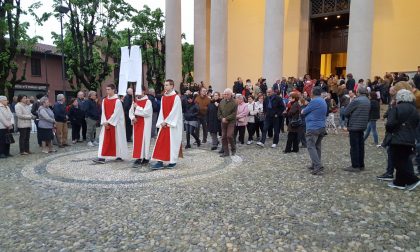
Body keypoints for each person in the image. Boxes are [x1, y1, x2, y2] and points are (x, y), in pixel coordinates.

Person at [386, 89, 419, 191]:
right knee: (404, 159)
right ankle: (399, 182)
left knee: (398, 161)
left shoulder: (396, 108)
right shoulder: (414, 109)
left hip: (398, 137)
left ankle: (413, 179)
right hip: (410, 137)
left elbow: (390, 124)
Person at [151, 79, 183, 169]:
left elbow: (175, 111)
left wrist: (167, 121)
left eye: (167, 85)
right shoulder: (163, 97)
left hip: (172, 125)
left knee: (172, 143)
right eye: (165, 85)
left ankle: (172, 161)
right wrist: (161, 121)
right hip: (163, 124)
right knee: (160, 142)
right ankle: (159, 161)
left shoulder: (176, 97)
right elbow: (161, 111)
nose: (165, 87)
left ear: (172, 86)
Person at [93, 84, 129, 164]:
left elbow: (116, 113)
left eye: (109, 89)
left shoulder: (117, 101)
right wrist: (105, 122)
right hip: (107, 124)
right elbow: (103, 113)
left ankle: (119, 155)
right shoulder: (104, 100)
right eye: (106, 89)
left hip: (116, 125)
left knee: (118, 140)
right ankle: (102, 157)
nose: (107, 91)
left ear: (113, 90)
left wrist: (108, 122)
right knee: (104, 140)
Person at [343, 86, 371, 172]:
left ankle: (355, 166)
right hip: (362, 125)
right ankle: (361, 164)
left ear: (358, 92)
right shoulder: (367, 100)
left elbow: (346, 112)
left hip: (354, 125)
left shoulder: (357, 100)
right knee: (360, 146)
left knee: (354, 146)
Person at [301, 86, 327, 175]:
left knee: (311, 146)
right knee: (317, 146)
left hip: (313, 127)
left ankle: (317, 166)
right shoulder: (322, 100)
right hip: (321, 127)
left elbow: (304, 111)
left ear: (313, 93)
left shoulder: (314, 101)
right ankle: (315, 163)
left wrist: (304, 108)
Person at [129, 86, 153, 167]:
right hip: (137, 124)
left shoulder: (148, 101)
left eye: (139, 91)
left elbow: (146, 113)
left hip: (145, 124)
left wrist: (137, 107)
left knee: (145, 141)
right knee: (137, 141)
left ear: (143, 92)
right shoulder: (135, 101)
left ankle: (146, 158)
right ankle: (138, 157)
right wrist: (133, 118)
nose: (138, 93)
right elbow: (131, 112)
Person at [218, 88, 237, 157]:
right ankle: (226, 152)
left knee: (229, 135)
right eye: (224, 94)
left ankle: (233, 149)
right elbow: (219, 112)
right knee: (223, 137)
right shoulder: (222, 101)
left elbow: (234, 113)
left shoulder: (234, 102)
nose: (225, 95)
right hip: (223, 121)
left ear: (231, 94)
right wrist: (222, 118)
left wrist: (226, 118)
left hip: (231, 121)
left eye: (227, 94)